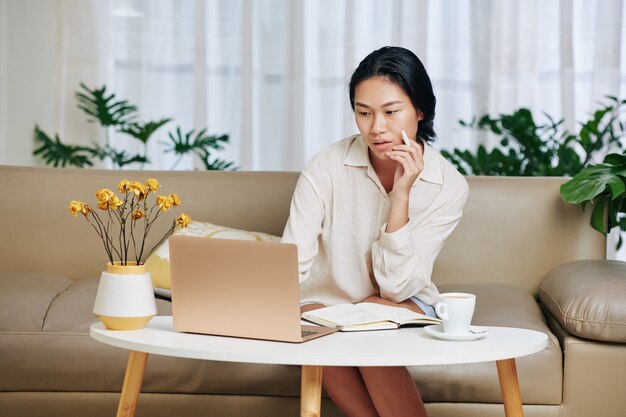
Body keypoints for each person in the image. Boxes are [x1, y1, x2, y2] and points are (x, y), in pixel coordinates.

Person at [281, 46, 469, 417]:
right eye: (363, 112)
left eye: (390, 112)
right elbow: (292, 261)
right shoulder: (326, 166)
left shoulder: (448, 185)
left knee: (370, 318)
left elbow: (397, 288)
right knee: (309, 324)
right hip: (326, 302)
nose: (376, 127)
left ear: (420, 110)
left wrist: (401, 196)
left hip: (405, 301)